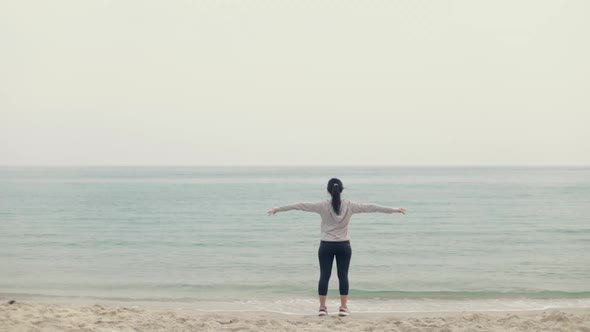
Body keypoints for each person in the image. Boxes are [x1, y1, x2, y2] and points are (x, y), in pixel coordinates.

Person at [267, 178, 406, 316]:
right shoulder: (351, 205)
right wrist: (394, 210)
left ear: (328, 190)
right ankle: (344, 308)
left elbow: (300, 205)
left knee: (324, 276)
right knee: (343, 276)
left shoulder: (321, 206)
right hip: (344, 246)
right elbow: (373, 207)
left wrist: (278, 209)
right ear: (342, 190)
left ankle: (322, 308)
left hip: (326, 245)